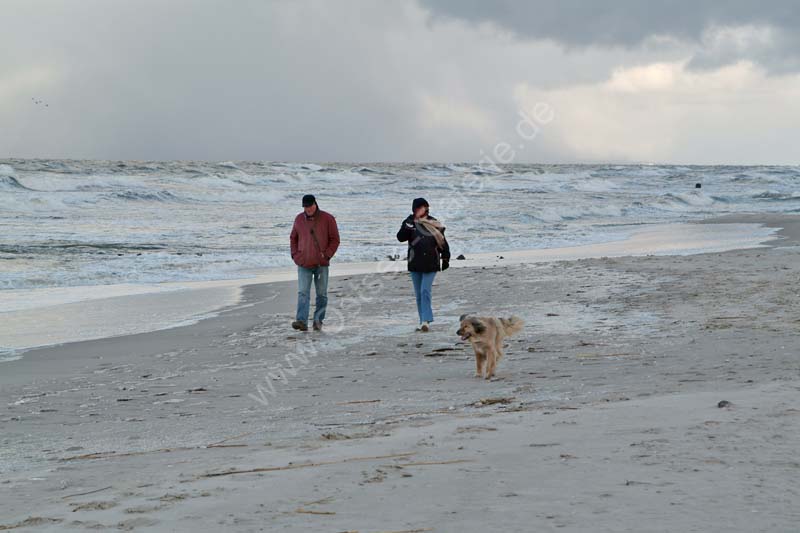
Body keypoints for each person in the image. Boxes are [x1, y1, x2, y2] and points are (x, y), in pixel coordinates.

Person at [396, 197, 450, 332]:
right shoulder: (409, 222)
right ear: (414, 209)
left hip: (431, 262)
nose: (420, 210)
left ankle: (426, 320)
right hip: (414, 263)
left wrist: (446, 258)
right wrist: (408, 226)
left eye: (423, 207)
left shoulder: (434, 222)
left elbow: (442, 241)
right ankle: (422, 322)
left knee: (425, 290)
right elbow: (400, 238)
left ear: (427, 208)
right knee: (418, 294)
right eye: (418, 208)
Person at [290, 194, 340, 331]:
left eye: (310, 206)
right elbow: (293, 238)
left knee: (322, 294)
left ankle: (318, 321)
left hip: (321, 265)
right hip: (303, 263)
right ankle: (301, 321)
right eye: (305, 207)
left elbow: (335, 239)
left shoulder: (328, 218)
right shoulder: (299, 219)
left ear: (315, 204)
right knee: (303, 293)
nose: (308, 209)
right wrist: (295, 255)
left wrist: (327, 256)